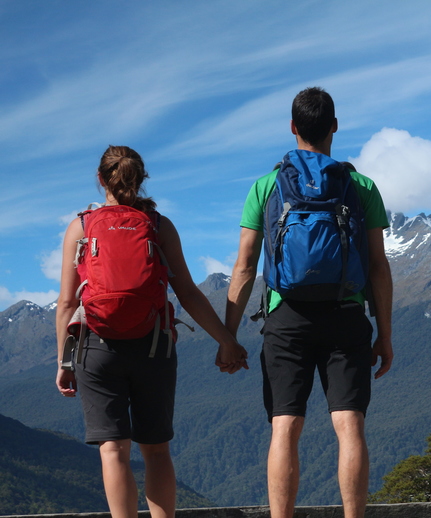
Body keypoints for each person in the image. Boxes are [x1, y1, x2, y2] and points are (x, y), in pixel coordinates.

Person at [225, 87, 393, 518]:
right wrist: (385, 334)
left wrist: (228, 336)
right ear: (334, 127)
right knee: (350, 425)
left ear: (293, 127)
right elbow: (378, 268)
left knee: (285, 427)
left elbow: (244, 267)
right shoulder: (361, 185)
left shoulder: (266, 186)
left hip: (287, 317)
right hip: (346, 314)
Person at [55, 145, 248, 518]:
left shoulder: (81, 227)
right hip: (154, 345)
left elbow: (66, 303)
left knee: (113, 450)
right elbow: (187, 292)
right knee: (156, 449)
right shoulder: (159, 226)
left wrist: (65, 361)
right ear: (142, 179)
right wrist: (227, 340)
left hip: (97, 348)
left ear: (101, 180)